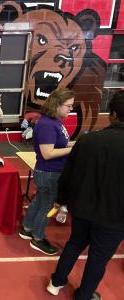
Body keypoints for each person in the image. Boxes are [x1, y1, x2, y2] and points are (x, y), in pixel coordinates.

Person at [46, 91, 124, 300]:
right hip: (115, 216)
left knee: (75, 243)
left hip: (83, 207)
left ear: (112, 114)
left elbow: (69, 174)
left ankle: (56, 282)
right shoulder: (90, 140)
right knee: (98, 258)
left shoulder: (89, 141)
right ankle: (84, 295)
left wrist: (61, 200)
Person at [18, 88, 75, 255]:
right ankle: (38, 237)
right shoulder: (47, 124)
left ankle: (27, 228)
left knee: (39, 201)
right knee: (47, 205)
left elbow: (60, 144)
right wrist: (73, 149)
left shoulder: (55, 121)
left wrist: (78, 143)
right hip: (50, 172)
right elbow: (48, 153)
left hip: (50, 171)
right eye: (68, 106)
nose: (70, 109)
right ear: (56, 104)